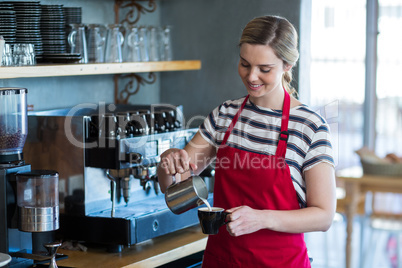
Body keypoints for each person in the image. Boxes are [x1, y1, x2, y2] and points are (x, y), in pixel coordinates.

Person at [157, 15, 336, 268]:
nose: (252, 76)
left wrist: (262, 219)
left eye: (265, 69)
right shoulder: (224, 115)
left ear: (287, 65)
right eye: (244, 64)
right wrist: (168, 161)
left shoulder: (309, 126)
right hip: (222, 261)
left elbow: (323, 215)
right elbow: (174, 186)